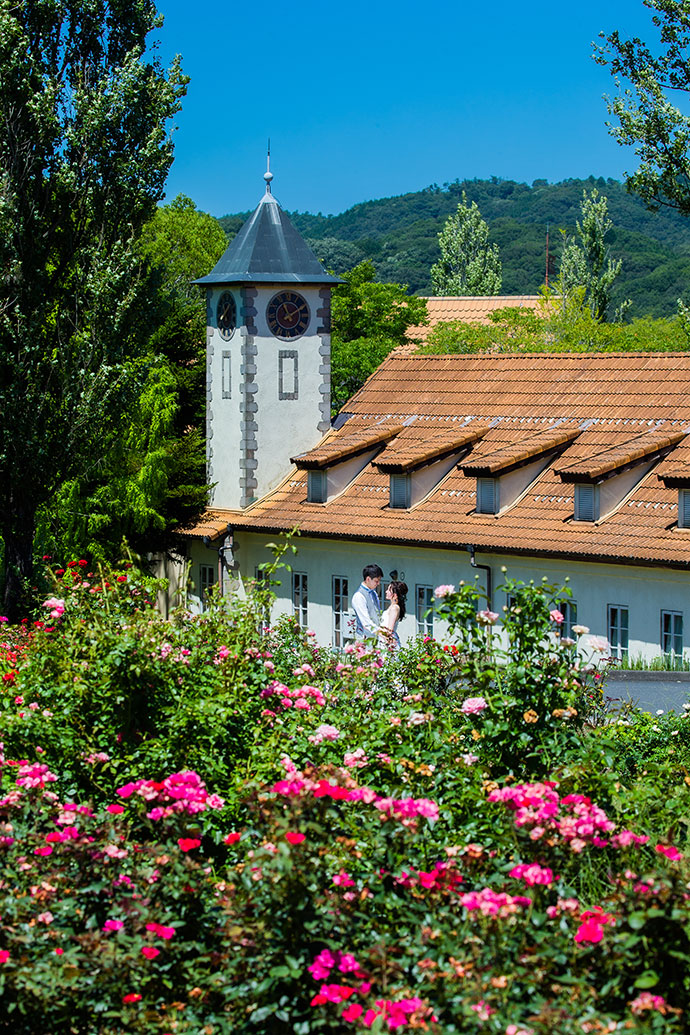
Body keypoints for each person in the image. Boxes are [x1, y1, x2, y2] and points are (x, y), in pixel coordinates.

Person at [351, 564, 383, 640]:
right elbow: (366, 622)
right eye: (376, 581)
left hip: (376, 637)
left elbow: (377, 614)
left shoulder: (374, 593)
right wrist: (382, 633)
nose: (378, 584)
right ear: (368, 579)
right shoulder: (359, 596)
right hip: (364, 639)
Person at [379, 580, 408, 651]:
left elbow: (389, 630)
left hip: (388, 642)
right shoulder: (392, 607)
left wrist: (375, 630)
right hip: (384, 640)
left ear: (395, 595)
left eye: (389, 590)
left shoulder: (394, 608)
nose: (386, 591)